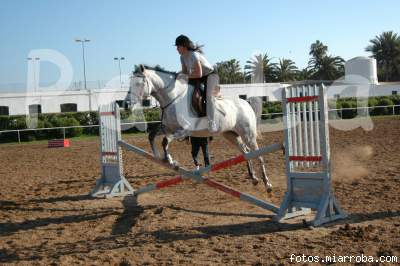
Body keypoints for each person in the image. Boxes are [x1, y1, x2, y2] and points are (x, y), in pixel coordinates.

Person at [175, 34, 220, 132]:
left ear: (184, 46)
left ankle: (212, 122)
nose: (177, 49)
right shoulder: (182, 57)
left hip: (211, 75)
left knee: (208, 97)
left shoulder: (193, 55)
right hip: (198, 76)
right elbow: (185, 73)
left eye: (178, 46)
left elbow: (198, 74)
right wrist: (176, 76)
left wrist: (183, 76)